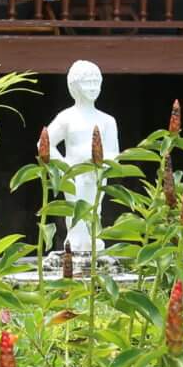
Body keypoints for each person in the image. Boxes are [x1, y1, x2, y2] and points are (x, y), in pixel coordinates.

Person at [44, 59, 120, 261]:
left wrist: (100, 163)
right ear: (74, 86)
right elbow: (44, 144)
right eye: (87, 83)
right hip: (73, 174)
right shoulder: (67, 117)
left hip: (96, 174)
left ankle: (94, 243)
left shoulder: (107, 120)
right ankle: (74, 245)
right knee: (75, 212)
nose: (93, 88)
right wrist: (63, 168)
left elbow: (114, 153)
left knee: (95, 210)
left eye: (96, 82)